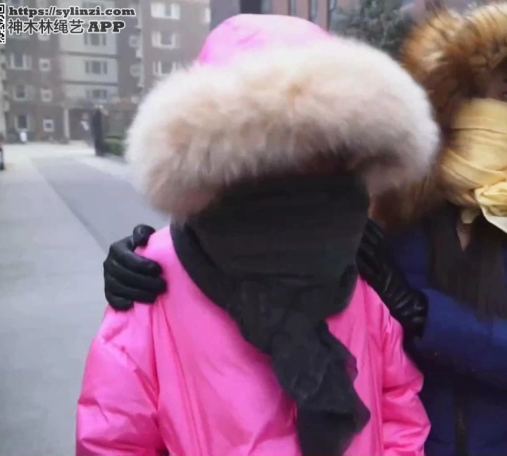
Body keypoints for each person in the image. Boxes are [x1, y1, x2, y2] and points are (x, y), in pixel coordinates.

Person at [99, 3, 507, 455]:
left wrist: (425, 315)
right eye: (473, 93)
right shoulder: (390, 210)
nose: (491, 114)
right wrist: (158, 257)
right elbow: (267, 229)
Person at [77, 14, 438, 456]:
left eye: (325, 150)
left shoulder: (354, 272)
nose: (308, 173)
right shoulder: (154, 285)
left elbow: (397, 406)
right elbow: (114, 439)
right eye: (278, 151)